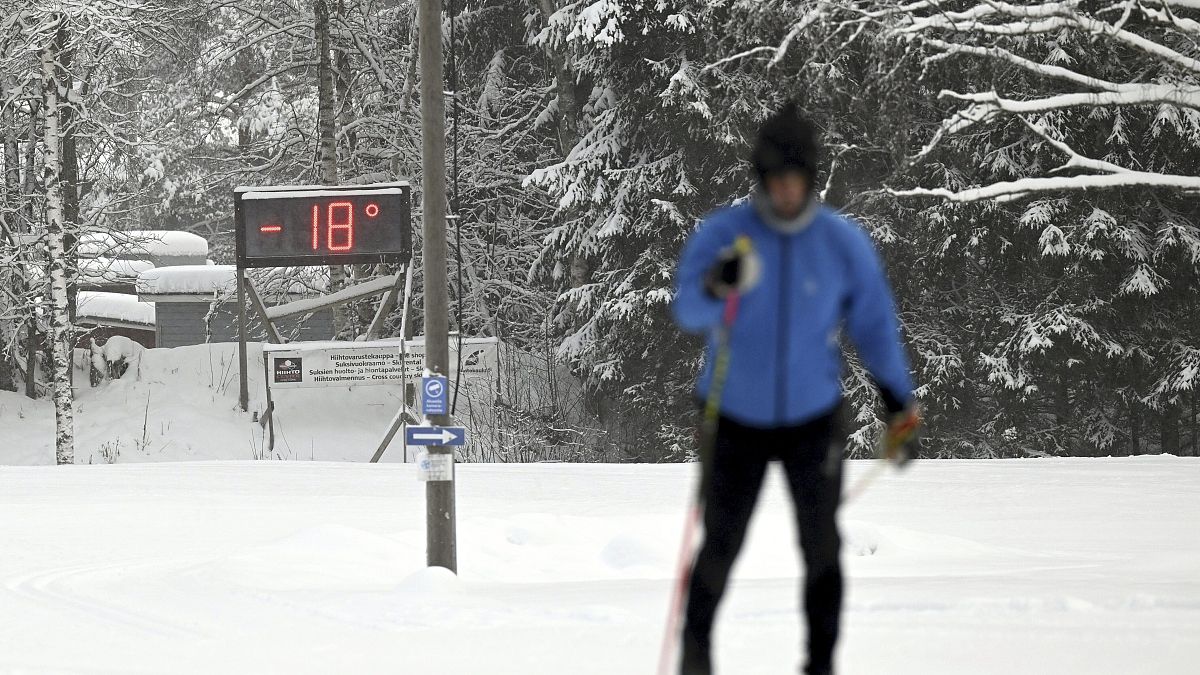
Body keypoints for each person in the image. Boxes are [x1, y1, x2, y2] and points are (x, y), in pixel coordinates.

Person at [670, 102, 921, 675]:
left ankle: (820, 664)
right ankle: (695, 660)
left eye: (797, 179)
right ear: (761, 180)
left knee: (821, 548)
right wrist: (715, 282)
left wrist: (898, 403)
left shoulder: (840, 243)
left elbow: (875, 327)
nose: (786, 191)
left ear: (811, 179)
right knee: (720, 544)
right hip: (733, 416)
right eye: (776, 179)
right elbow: (686, 308)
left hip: (812, 418)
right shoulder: (727, 234)